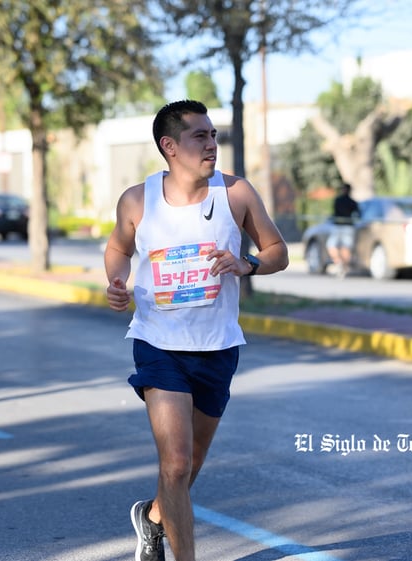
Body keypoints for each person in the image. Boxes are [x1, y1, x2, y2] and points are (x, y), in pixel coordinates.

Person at [104, 99, 289, 561]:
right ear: (169, 146)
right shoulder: (137, 199)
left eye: (213, 135)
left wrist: (247, 264)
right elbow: (118, 247)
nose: (211, 144)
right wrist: (116, 280)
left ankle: (152, 519)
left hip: (218, 345)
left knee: (189, 467)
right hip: (158, 344)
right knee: (177, 462)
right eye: (199, 136)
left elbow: (277, 251)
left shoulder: (236, 194)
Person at [325, 183, 360, 277]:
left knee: (344, 247)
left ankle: (342, 266)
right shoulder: (350, 202)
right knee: (335, 246)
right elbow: (358, 214)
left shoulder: (343, 201)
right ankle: (340, 264)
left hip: (343, 226)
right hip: (343, 226)